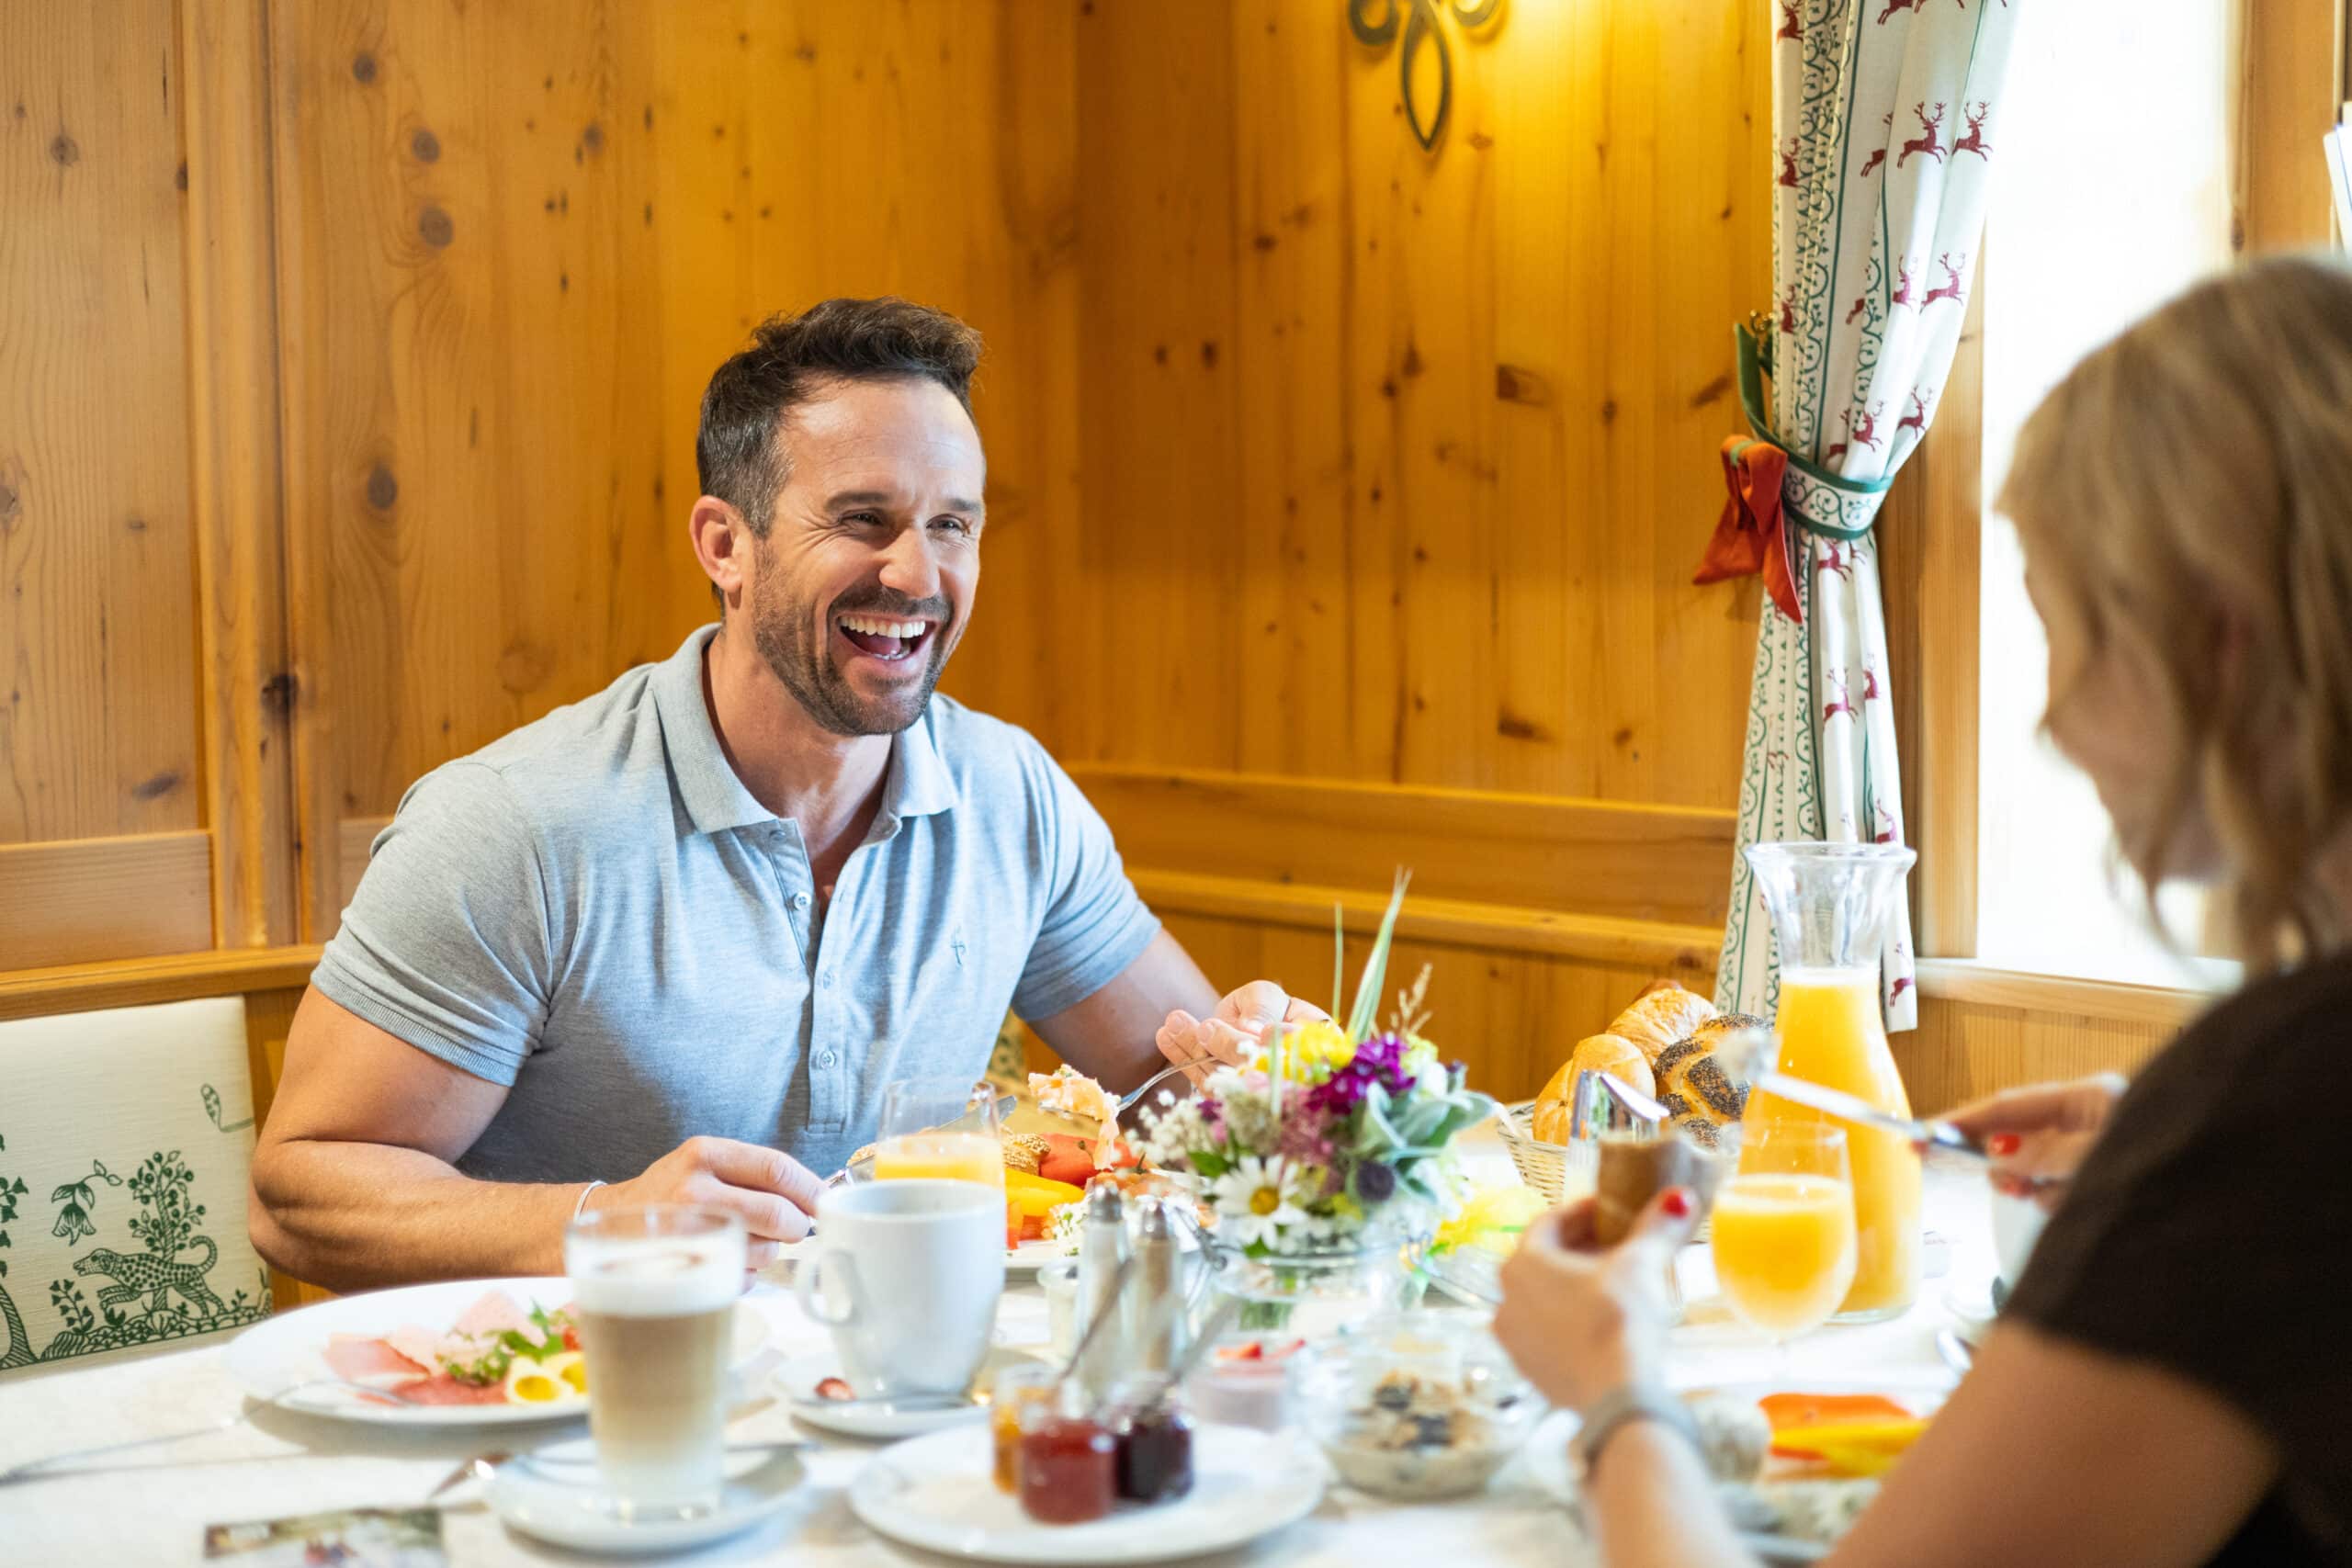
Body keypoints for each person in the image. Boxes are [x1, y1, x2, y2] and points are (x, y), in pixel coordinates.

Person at [1493, 255, 2352, 1566]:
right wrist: (2163, 1178)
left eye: (2067, 632)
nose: (2053, 720)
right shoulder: (2282, 1120)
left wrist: (1616, 1391)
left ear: (2216, 637)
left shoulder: (2289, 1098)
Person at [251, 298, 1320, 1290]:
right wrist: (610, 1222)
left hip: (901, 1388)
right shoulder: (514, 827)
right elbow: (302, 1193)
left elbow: (1179, 1094)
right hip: (581, 1399)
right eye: (862, 518)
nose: (918, 576)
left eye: (952, 526)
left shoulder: (1013, 795)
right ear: (726, 545)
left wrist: (1266, 1071)